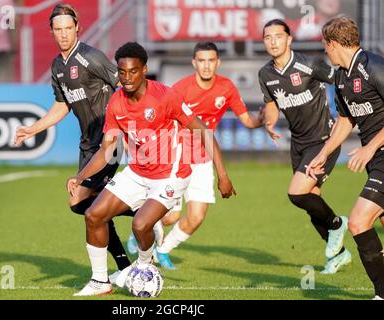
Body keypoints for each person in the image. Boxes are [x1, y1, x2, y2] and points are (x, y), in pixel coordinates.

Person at [66, 41, 235, 296]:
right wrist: (80, 177)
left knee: (140, 225)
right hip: (137, 172)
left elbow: (204, 133)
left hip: (171, 174)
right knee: (93, 215)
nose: (127, 77)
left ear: (144, 69)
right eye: (122, 72)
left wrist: (222, 175)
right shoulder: (116, 102)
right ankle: (100, 281)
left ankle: (144, 266)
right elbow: (106, 150)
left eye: (133, 71)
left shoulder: (165, 96)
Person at [14, 4, 132, 277]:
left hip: (108, 142)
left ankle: (146, 210)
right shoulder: (58, 66)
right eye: (59, 29)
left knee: (80, 200)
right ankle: (125, 265)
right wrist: (34, 128)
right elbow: (62, 105)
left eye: (69, 28)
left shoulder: (92, 57)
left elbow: (125, 87)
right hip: (87, 145)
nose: (64, 34)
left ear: (77, 27)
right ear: (52, 32)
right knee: (88, 206)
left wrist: (126, 128)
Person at [126, 42, 263, 270]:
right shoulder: (181, 89)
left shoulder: (227, 88)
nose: (206, 66)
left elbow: (247, 120)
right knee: (170, 216)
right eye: (202, 60)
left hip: (203, 158)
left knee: (197, 217)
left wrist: (262, 121)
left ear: (218, 62)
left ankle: (163, 250)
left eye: (211, 60)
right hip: (176, 157)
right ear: (194, 63)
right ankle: (141, 231)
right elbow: (158, 118)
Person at [258, 19, 351, 274]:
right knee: (312, 203)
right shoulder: (265, 73)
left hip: (323, 141)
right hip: (298, 143)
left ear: (289, 39)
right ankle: (339, 255)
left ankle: (337, 224)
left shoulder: (309, 64)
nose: (273, 41)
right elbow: (272, 104)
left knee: (297, 193)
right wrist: (269, 122)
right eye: (268, 37)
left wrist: (348, 114)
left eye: (278, 36)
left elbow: (341, 80)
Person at [306, 16, 384, 300]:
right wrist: (323, 154)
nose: (325, 51)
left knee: (358, 222)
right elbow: (345, 120)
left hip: (381, 155)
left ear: (335, 43)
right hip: (377, 158)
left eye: (326, 46)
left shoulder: (374, 66)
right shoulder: (340, 76)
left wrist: (369, 148)